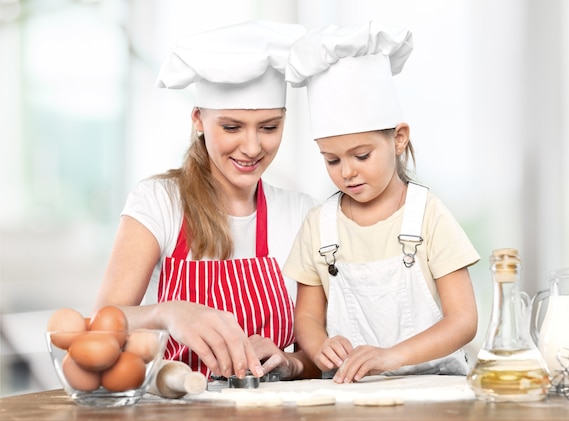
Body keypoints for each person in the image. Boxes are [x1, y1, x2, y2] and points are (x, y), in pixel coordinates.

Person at [93, 20, 319, 381]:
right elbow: (101, 327)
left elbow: (319, 354)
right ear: (198, 118)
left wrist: (289, 362)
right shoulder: (160, 202)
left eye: (269, 127)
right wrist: (168, 313)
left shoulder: (300, 213)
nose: (251, 147)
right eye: (231, 127)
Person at [283, 21, 480, 384]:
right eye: (332, 160)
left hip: (436, 390)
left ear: (399, 139)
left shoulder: (428, 215)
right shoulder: (319, 224)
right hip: (350, 394)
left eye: (361, 155)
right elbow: (307, 318)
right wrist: (320, 345)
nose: (347, 173)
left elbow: (464, 320)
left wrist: (390, 357)